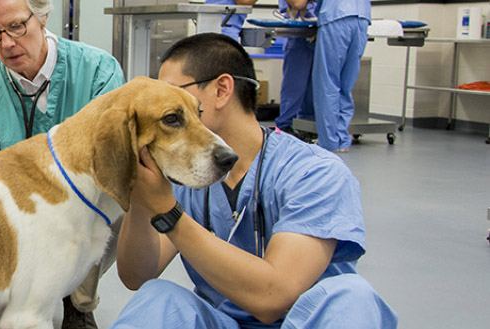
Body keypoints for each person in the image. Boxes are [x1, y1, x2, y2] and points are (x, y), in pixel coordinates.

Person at [111, 33, 397, 328]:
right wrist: (142, 199)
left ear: (222, 89)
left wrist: (167, 213)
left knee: (353, 297)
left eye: (173, 93)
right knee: (159, 298)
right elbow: (137, 276)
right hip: (224, 321)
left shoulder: (314, 173)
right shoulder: (187, 175)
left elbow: (272, 298)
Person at [0, 0, 124, 327]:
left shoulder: (98, 72)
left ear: (43, 17)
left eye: (17, 27)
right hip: (19, 223)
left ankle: (79, 302)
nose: (6, 43)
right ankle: (15, 296)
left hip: (84, 210)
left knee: (115, 195)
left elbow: (111, 162)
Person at [288, 0, 371, 153]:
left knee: (327, 83)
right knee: (346, 86)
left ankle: (329, 143)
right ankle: (343, 140)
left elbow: (300, 3)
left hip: (336, 17)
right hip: (362, 18)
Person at [273, 0, 317, 135]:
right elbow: (298, 4)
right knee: (295, 82)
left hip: (320, 29)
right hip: (299, 30)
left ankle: (307, 123)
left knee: (314, 84)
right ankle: (285, 124)